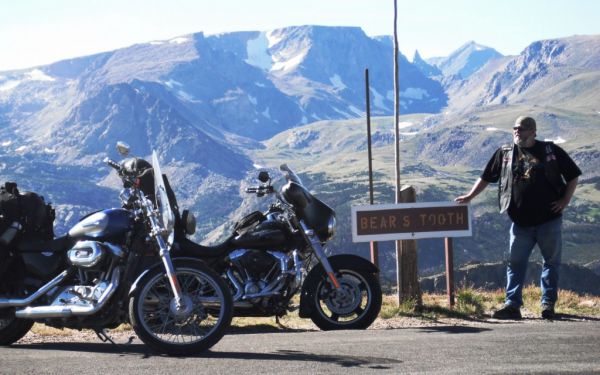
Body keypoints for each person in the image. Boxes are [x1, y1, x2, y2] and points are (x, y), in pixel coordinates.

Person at [455, 116, 581, 320]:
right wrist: (470, 196)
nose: (517, 132)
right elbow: (487, 176)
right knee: (515, 263)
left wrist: (565, 201)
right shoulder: (505, 153)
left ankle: (547, 305)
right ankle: (512, 306)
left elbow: (573, 175)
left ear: (533, 132)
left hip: (549, 219)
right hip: (520, 222)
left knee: (550, 263)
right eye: (515, 128)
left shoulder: (550, 151)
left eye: (521, 129)